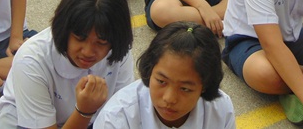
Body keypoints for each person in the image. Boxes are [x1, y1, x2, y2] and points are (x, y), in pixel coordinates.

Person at [0, 0, 134, 128]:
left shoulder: (119, 49)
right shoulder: (31, 60)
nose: (88, 51)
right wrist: (84, 111)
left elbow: (121, 114)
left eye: (101, 42)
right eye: (80, 38)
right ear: (64, 29)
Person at [93, 22, 235, 129]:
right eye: (161, 81)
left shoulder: (220, 110)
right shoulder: (117, 118)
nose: (169, 98)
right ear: (150, 70)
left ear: (205, 85)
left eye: (185, 89)